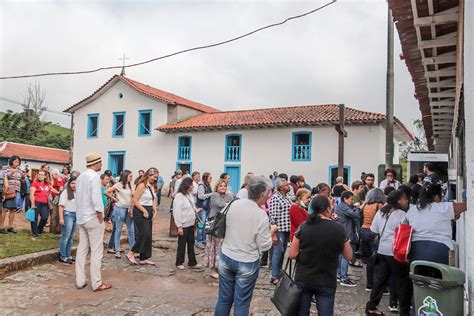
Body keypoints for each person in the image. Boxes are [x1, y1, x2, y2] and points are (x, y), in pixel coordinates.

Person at [215, 176, 274, 315]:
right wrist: (272, 231)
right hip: (246, 261)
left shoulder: (234, 204)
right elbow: (264, 245)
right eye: (268, 193)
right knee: (241, 303)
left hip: (226, 256)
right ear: (261, 195)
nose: (269, 196)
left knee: (223, 299)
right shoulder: (261, 215)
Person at [289, 195, 352, 316]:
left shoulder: (304, 226)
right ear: (328, 209)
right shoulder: (339, 229)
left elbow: (292, 254)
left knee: (301, 312)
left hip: (304, 278)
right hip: (326, 278)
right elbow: (349, 256)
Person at [365, 190, 412, 316]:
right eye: (404, 198)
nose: (407, 201)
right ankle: (404, 311)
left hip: (382, 251)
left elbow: (373, 231)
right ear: (398, 201)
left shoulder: (381, 212)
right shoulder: (402, 215)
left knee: (380, 281)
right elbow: (406, 233)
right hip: (396, 252)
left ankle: (371, 306)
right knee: (402, 282)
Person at [75, 153, 111, 292]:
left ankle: (80, 280)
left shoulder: (80, 177)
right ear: (95, 163)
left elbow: (79, 198)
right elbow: (96, 199)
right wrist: (101, 216)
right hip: (93, 217)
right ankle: (96, 282)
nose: (101, 165)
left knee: (82, 249)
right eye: (100, 162)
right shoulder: (94, 177)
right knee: (96, 251)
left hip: (82, 218)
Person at [407, 183, 466, 265]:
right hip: (439, 251)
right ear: (436, 197)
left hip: (415, 253)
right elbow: (466, 206)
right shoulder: (443, 207)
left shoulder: (412, 210)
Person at [126, 168, 158, 265]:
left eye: (156, 177)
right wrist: (143, 210)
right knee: (145, 234)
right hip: (140, 210)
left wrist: (155, 210)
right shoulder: (141, 185)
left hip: (148, 210)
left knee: (149, 235)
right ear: (148, 175)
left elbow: (152, 199)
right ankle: (131, 253)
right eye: (154, 176)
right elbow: (135, 200)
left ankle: (144, 257)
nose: (155, 179)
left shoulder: (151, 186)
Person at [204, 179, 233, 279]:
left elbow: (232, 202)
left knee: (221, 247)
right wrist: (228, 202)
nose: (223, 188)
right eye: (221, 186)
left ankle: (220, 268)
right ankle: (213, 269)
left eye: (224, 186)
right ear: (217, 187)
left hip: (223, 224)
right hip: (214, 224)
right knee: (213, 247)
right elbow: (221, 205)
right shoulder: (214, 195)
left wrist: (229, 200)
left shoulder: (227, 195)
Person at [172, 177, 202, 269]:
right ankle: (179, 262)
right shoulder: (179, 196)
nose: (193, 187)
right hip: (183, 225)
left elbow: (192, 206)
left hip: (191, 224)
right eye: (191, 185)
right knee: (182, 244)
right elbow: (177, 212)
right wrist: (179, 226)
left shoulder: (189, 194)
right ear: (186, 185)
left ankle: (192, 262)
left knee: (191, 243)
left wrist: (196, 210)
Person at [104, 170, 135, 259]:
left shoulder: (130, 185)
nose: (132, 178)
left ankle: (133, 249)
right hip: (119, 208)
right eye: (130, 176)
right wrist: (114, 198)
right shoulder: (118, 184)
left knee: (131, 229)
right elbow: (106, 192)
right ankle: (117, 250)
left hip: (128, 209)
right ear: (126, 176)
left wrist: (132, 208)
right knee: (118, 229)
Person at [360, 188, 386, 291]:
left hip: (364, 230)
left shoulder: (366, 205)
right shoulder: (379, 206)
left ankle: (369, 284)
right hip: (373, 232)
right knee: (377, 260)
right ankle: (378, 285)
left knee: (369, 260)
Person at [334, 191, 361, 286]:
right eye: (351, 199)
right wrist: (357, 208)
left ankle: (339, 275)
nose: (352, 201)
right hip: (345, 235)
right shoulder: (344, 207)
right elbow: (356, 215)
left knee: (340, 256)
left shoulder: (340, 206)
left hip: (341, 234)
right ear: (345, 199)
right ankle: (344, 278)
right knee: (345, 256)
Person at [269, 177, 292, 284]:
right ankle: (274, 276)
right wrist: (273, 233)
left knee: (282, 252)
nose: (289, 186)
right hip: (279, 229)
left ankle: (278, 273)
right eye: (287, 185)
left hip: (287, 228)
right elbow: (272, 216)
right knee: (278, 252)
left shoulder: (286, 198)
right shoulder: (275, 198)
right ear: (281, 187)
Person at [0, 156, 22, 234]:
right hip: (8, 191)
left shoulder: (20, 169)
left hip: (17, 191)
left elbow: (20, 178)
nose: (17, 163)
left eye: (18, 162)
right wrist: (12, 171)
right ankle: (1, 227)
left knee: (13, 209)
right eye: (15, 162)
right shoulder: (5, 168)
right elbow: (4, 177)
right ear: (11, 161)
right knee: (5, 209)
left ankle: (10, 227)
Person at [58, 176, 78, 264]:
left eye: (76, 183)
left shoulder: (79, 193)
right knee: (65, 236)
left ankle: (68, 255)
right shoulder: (65, 193)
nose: (74, 185)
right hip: (68, 215)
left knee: (71, 237)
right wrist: (61, 218)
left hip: (76, 216)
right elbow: (61, 206)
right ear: (69, 184)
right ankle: (63, 256)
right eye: (72, 183)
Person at [29, 170, 51, 238]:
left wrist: (59, 192)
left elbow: (52, 190)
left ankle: (39, 230)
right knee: (34, 218)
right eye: (39, 174)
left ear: (45, 176)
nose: (40, 176)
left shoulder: (47, 184)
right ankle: (35, 233)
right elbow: (31, 194)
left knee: (44, 217)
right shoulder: (34, 183)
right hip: (36, 202)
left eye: (42, 175)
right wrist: (32, 204)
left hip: (44, 203)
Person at [196, 172, 212, 249]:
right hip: (202, 209)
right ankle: (198, 241)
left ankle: (204, 240)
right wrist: (210, 194)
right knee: (201, 225)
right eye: (210, 178)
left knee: (205, 225)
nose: (211, 179)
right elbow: (200, 196)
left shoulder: (208, 186)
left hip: (206, 208)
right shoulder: (201, 186)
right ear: (206, 178)